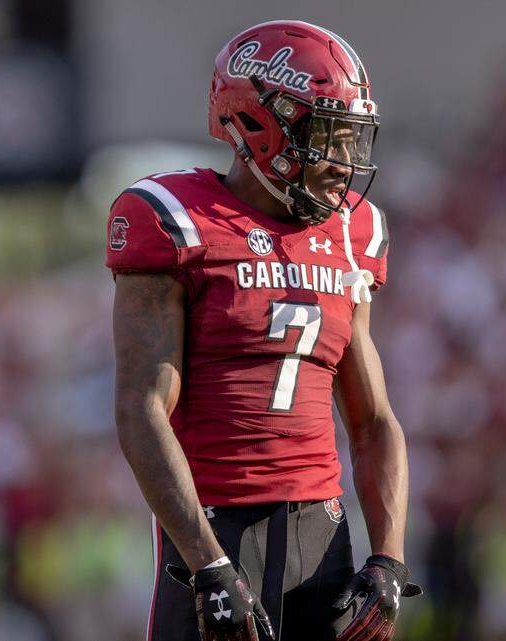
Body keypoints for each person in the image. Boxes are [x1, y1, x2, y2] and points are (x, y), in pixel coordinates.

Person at [107, 21, 420, 641]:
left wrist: (388, 554)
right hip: (214, 530)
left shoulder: (354, 234)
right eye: (326, 135)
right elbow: (142, 406)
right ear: (257, 124)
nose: (344, 162)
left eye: (350, 138)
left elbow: (374, 418)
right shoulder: (175, 219)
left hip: (322, 535)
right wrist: (206, 563)